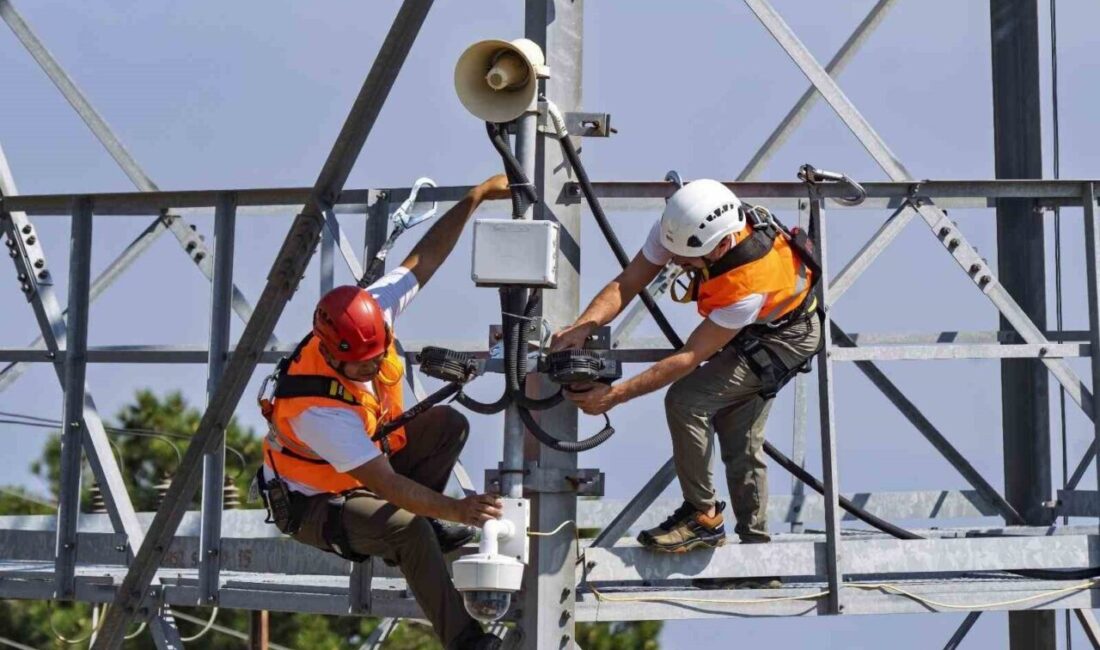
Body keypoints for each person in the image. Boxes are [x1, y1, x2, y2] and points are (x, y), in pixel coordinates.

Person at [256, 175, 511, 649]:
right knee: (407, 527)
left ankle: (426, 531)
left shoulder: (368, 314)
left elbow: (423, 261)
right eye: (362, 363)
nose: (374, 366)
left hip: (364, 464)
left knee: (447, 426)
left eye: (379, 354)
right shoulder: (319, 411)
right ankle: (464, 640)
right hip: (317, 504)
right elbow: (388, 486)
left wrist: (473, 198)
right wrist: (458, 509)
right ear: (332, 354)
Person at [551, 179, 821, 569]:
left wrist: (615, 396)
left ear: (722, 246)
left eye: (688, 261)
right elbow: (628, 282)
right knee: (738, 431)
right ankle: (758, 557)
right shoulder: (681, 227)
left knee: (689, 400)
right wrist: (584, 325)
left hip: (786, 336)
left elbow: (689, 357)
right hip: (759, 323)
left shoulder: (747, 284)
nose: (677, 263)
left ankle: (703, 516)